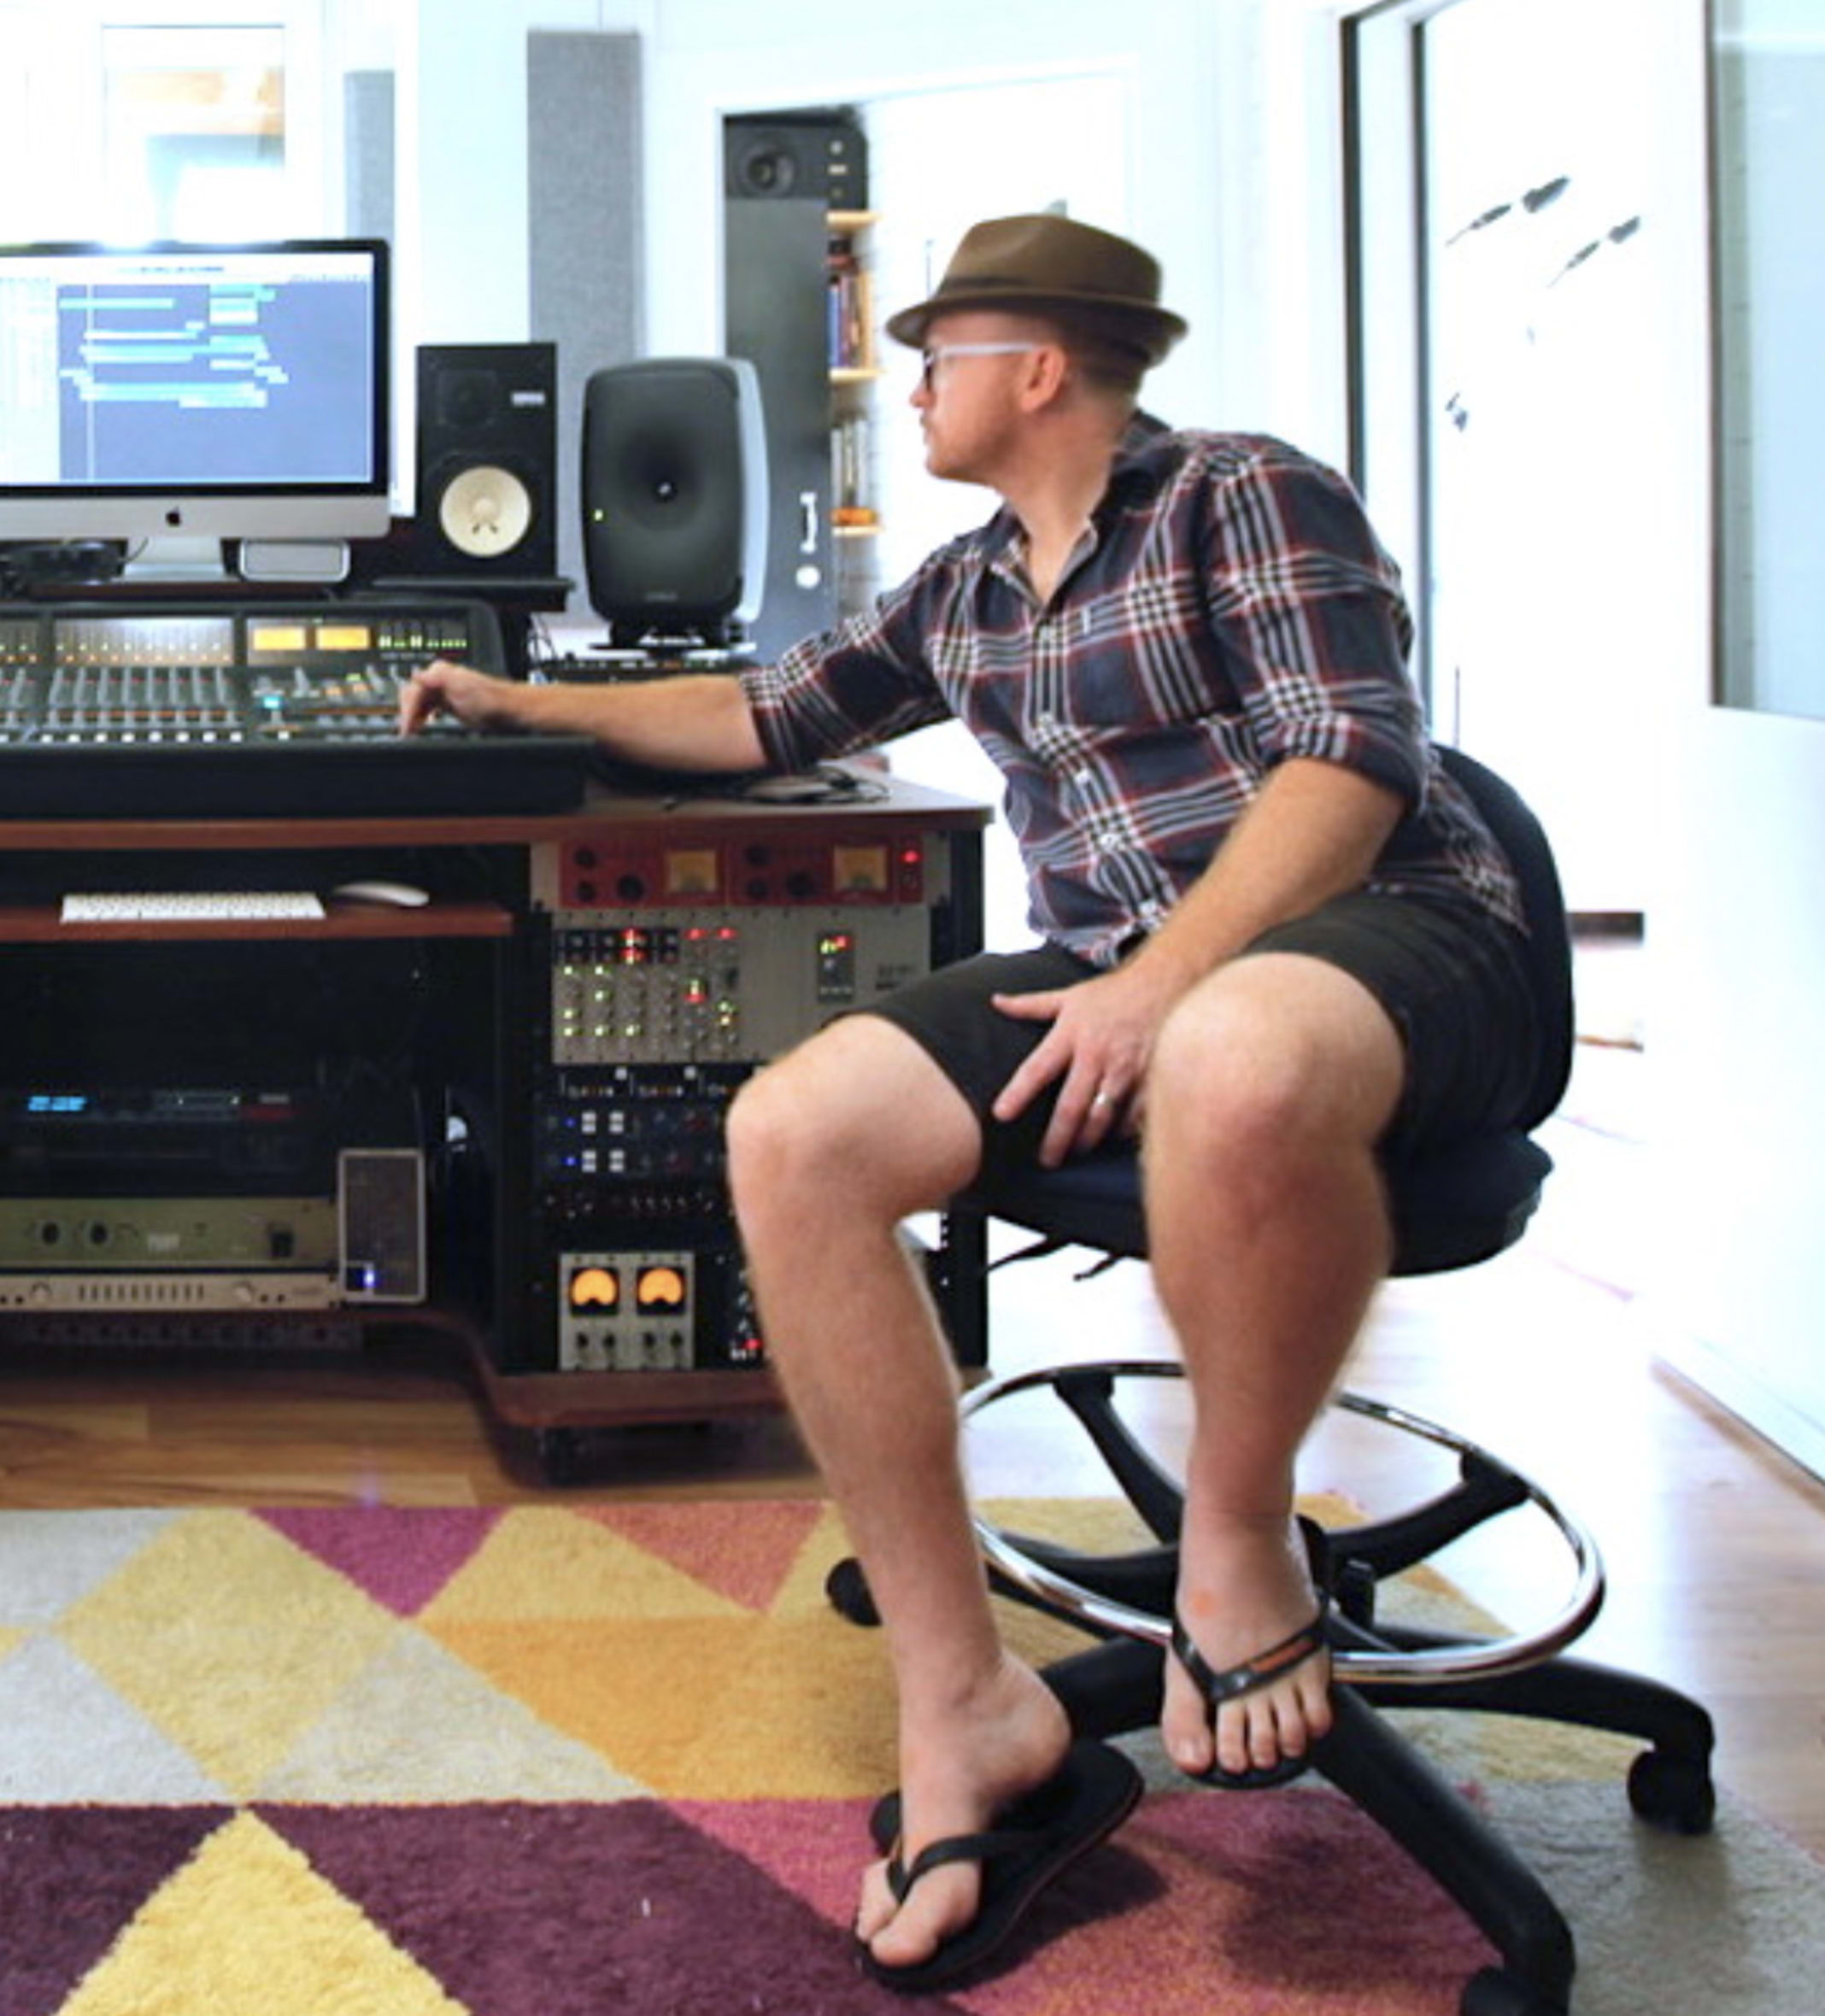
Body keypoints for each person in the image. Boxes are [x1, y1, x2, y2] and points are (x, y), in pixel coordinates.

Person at [399, 214, 1540, 1990]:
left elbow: (1351, 760)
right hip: (1122, 964)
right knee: (792, 1133)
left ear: (1040, 368)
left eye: (939, 357)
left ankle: (1236, 1543)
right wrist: (498, 687)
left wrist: (1171, 981)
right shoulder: (972, 581)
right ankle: (968, 1707)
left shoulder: (1244, 492)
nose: (915, 388)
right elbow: (765, 714)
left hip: (1387, 937)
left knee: (1231, 1051)